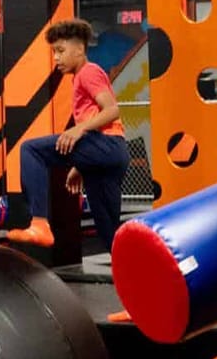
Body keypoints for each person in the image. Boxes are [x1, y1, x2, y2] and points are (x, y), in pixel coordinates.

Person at [8, 19, 130, 252]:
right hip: (112, 154)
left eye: (61, 51)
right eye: (54, 52)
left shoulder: (88, 72)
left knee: (30, 150)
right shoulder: (81, 77)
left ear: (80, 50)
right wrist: (81, 164)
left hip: (107, 145)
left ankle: (40, 223)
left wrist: (78, 129)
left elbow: (112, 110)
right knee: (108, 230)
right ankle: (134, 276)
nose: (56, 58)